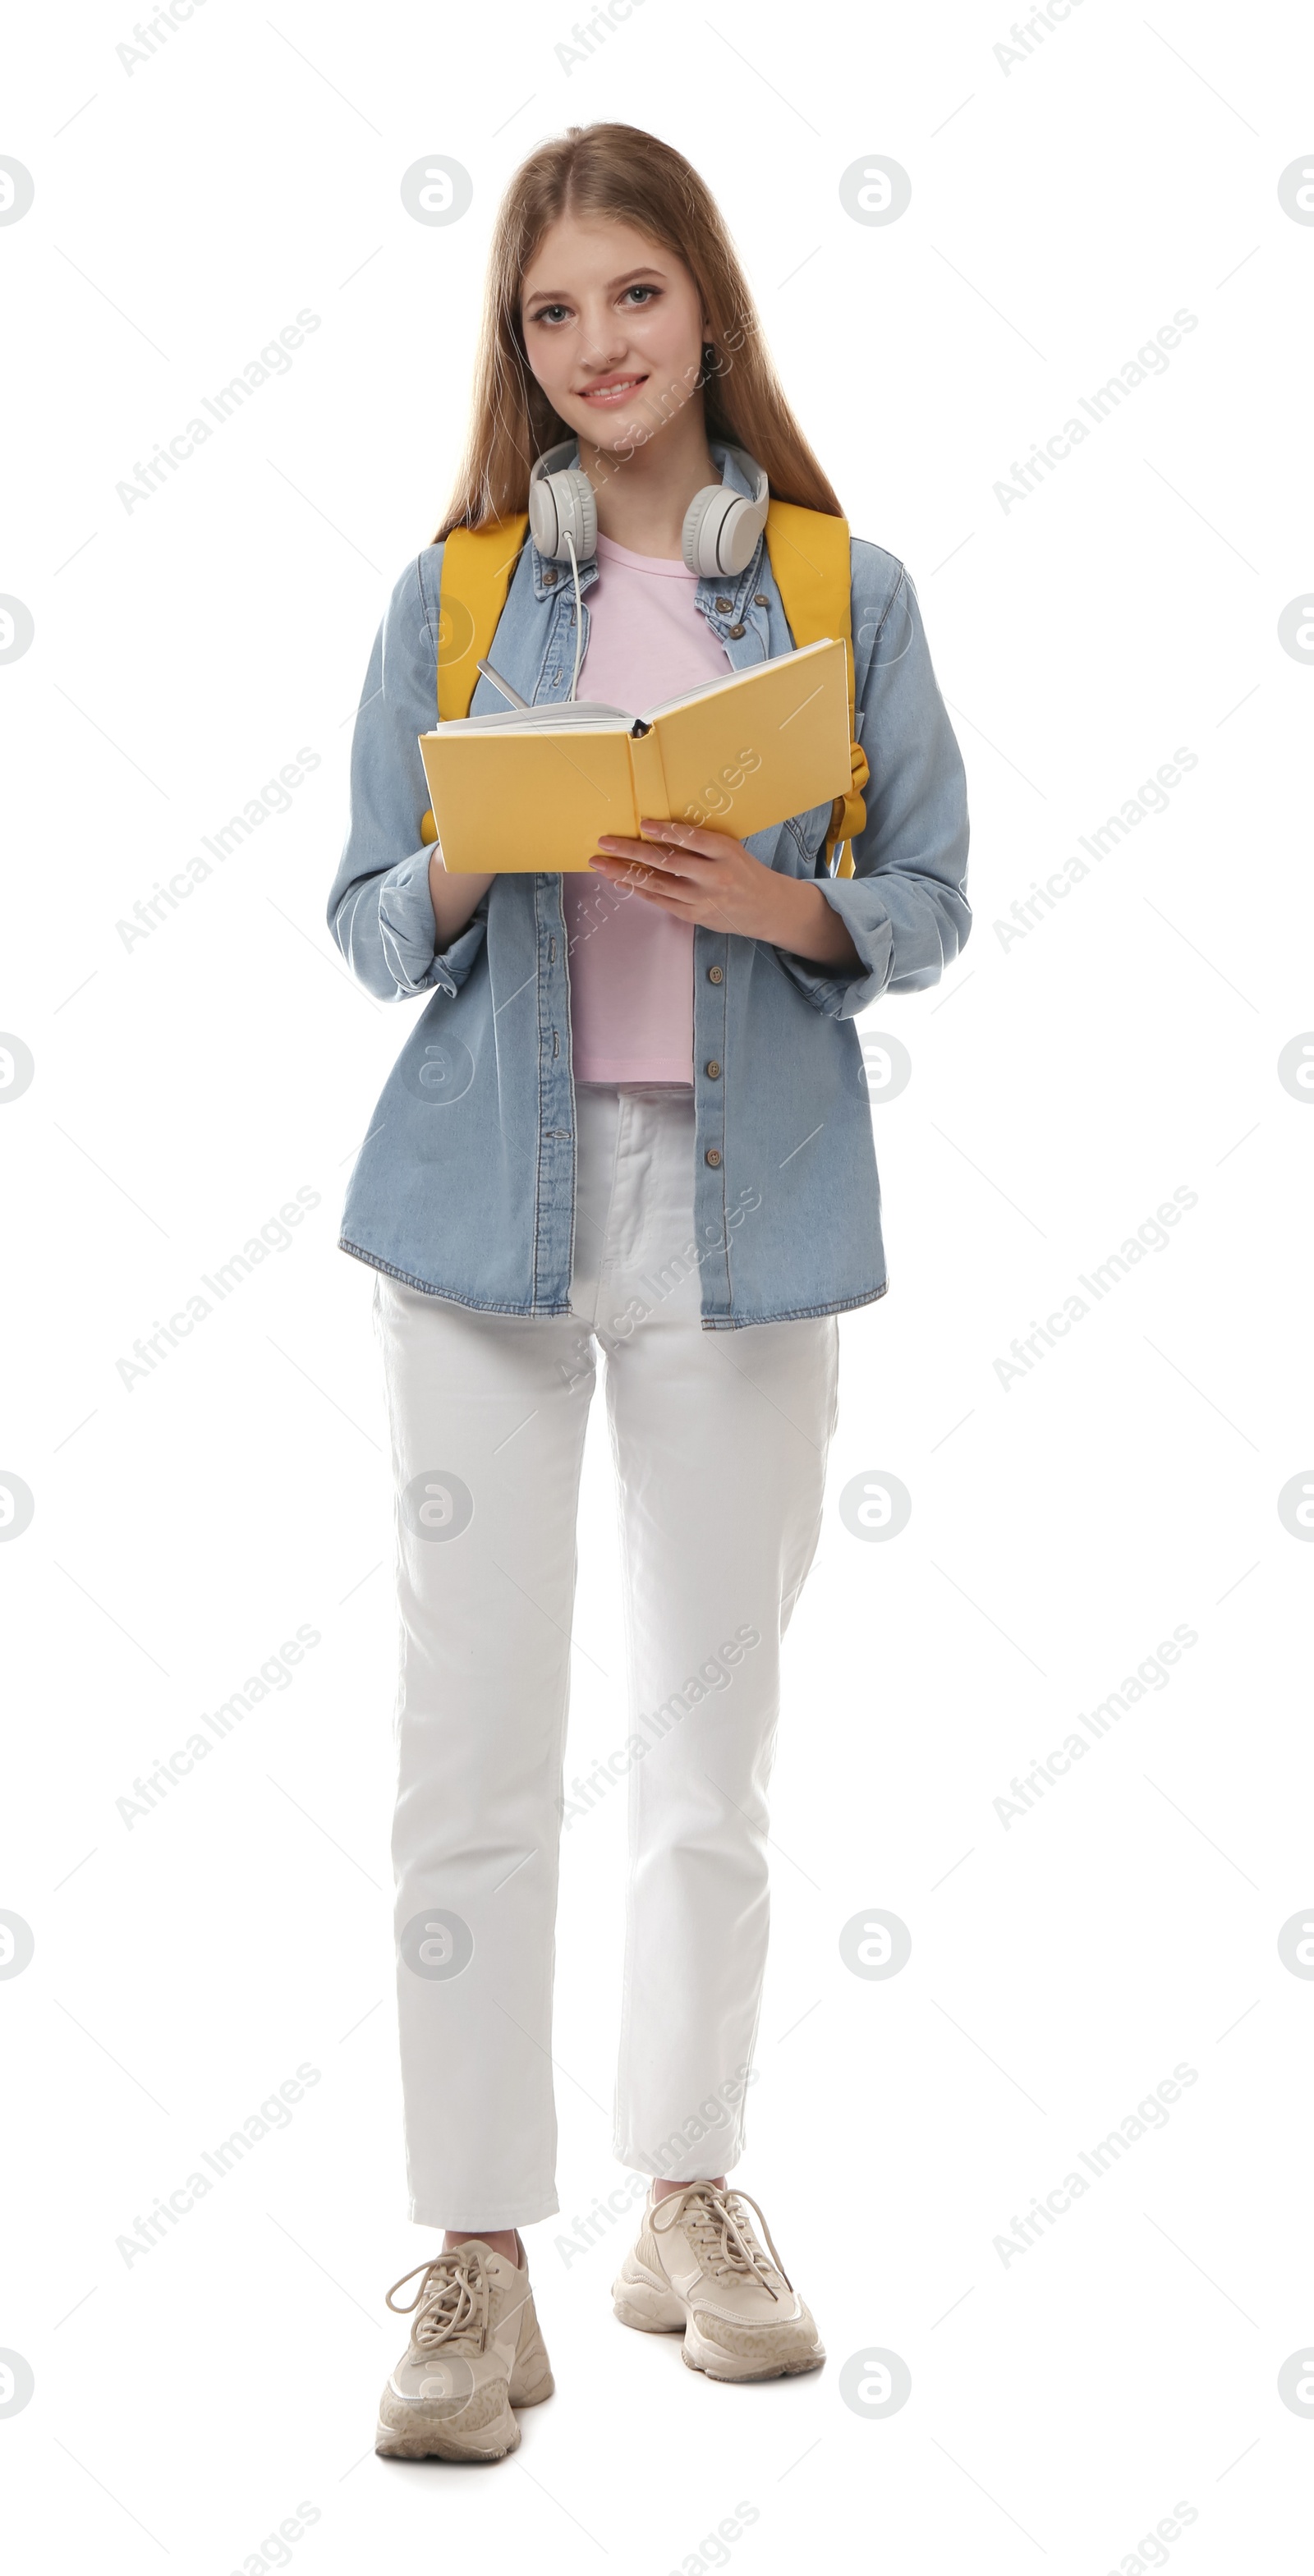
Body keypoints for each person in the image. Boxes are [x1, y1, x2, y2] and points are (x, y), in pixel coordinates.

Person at [327, 119, 970, 2464]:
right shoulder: (462, 588)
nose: (593, 346)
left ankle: (685, 2191)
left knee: (719, 1754)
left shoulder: (836, 582)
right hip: (475, 1228)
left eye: (630, 296)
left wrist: (770, 901)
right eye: (547, 312)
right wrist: (480, 857)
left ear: (706, 304)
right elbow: (361, 916)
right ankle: (474, 2253)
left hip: (745, 1213)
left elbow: (927, 898)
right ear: (518, 348)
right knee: (466, 1758)